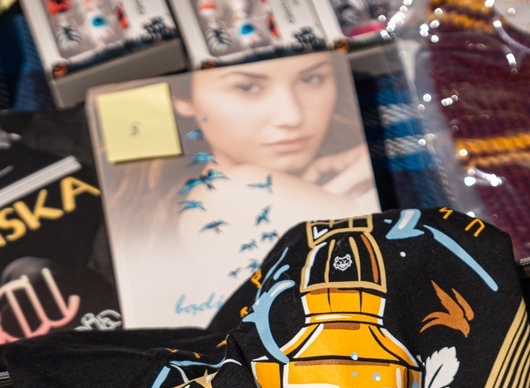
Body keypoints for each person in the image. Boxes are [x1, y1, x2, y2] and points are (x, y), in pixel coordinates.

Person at [104, 52, 376, 325]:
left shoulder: (189, 200)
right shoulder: (227, 193)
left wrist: (345, 187)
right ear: (183, 99)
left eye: (310, 79)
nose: (291, 116)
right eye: (247, 87)